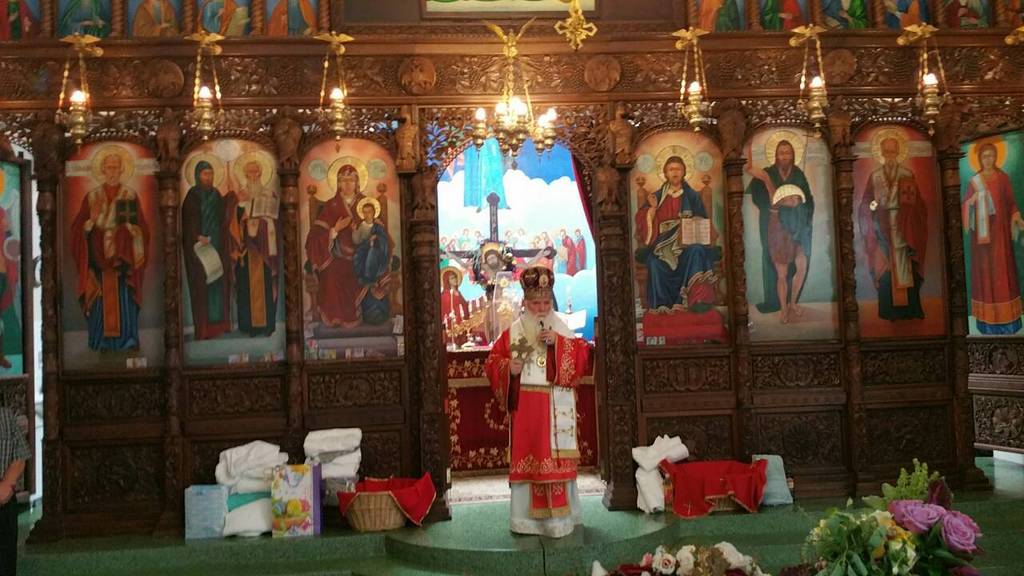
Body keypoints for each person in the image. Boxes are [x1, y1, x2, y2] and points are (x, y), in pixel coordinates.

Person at [484, 266, 589, 538]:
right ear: (525, 302)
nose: (541, 309)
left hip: (555, 404)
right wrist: (509, 369)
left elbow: (582, 357)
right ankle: (525, 521)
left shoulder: (561, 327)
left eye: (545, 303)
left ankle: (561, 519)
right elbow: (492, 362)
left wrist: (558, 343)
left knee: (554, 460)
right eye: (535, 303)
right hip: (527, 409)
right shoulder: (515, 332)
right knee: (530, 460)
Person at [70, 149, 149, 351]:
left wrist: (131, 231)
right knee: (100, 301)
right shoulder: (92, 196)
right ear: (103, 170)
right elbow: (77, 230)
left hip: (122, 259)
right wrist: (91, 222)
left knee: (124, 298)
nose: (112, 171)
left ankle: (127, 340)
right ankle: (101, 341)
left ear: (122, 170)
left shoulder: (129, 195)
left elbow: (143, 229)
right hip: (98, 259)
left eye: (116, 167)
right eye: (109, 167)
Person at [634, 156, 719, 311]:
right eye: (671, 169)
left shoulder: (693, 196)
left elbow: (703, 221)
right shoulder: (656, 196)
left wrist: (694, 221)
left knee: (697, 250)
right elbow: (640, 219)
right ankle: (662, 306)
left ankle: (697, 300)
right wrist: (652, 209)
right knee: (654, 262)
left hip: (686, 245)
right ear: (665, 173)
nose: (675, 172)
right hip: (662, 245)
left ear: (684, 172)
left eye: (678, 169)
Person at [858, 136, 928, 321]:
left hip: (903, 227)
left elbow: (918, 204)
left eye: (893, 151)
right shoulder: (875, 175)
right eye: (886, 151)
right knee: (884, 267)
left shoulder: (906, 173)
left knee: (907, 268)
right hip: (881, 227)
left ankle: (911, 310)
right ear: (881, 153)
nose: (890, 155)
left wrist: (909, 214)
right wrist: (873, 205)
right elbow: (866, 202)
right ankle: (888, 311)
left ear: (898, 152)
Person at [746, 139, 815, 323]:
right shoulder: (767, 174)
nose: (784, 156)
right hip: (778, 229)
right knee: (781, 273)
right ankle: (783, 309)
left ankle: (793, 303)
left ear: (793, 155)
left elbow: (808, 199)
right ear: (776, 155)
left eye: (788, 152)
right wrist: (780, 202)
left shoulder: (798, 174)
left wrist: (799, 203)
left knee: (802, 267)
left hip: (797, 228)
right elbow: (761, 197)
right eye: (781, 153)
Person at [963, 142, 1024, 334]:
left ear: (996, 157)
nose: (988, 159)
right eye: (985, 156)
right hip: (981, 241)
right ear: (980, 159)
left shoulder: (1003, 178)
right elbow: (965, 207)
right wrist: (971, 202)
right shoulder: (974, 182)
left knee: (1003, 274)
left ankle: (1009, 323)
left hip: (1000, 236)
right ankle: (987, 324)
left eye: (991, 155)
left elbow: (1011, 204)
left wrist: (1016, 217)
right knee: (985, 276)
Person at [305, 164, 368, 328]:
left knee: (366, 268)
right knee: (332, 273)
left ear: (357, 182)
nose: (347, 184)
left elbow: (377, 231)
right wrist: (335, 230)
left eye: (351, 180)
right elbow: (314, 238)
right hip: (336, 256)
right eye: (343, 180)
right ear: (338, 183)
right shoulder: (331, 205)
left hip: (361, 256)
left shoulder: (365, 204)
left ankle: (360, 312)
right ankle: (336, 317)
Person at [182, 160, 236, 340]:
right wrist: (197, 236)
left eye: (211, 174)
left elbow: (223, 215)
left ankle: (220, 326)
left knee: (218, 286)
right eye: (205, 174)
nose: (209, 177)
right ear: (198, 176)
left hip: (217, 248)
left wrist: (231, 198)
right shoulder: (192, 196)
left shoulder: (216, 194)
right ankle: (204, 329)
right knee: (202, 287)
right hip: (200, 250)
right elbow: (187, 222)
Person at [230, 159, 280, 337]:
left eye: (256, 171)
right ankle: (250, 326)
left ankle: (266, 326)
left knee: (266, 283)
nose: (253, 175)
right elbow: (233, 222)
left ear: (260, 173)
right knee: (246, 287)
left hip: (264, 247)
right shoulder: (241, 194)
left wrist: (265, 220)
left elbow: (275, 218)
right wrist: (240, 211)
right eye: (250, 172)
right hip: (247, 248)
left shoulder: (268, 193)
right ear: (245, 174)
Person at [0, 404, 28, 576]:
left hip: (4, 500)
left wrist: (7, 484)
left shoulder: (6, 417)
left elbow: (21, 456)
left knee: (5, 564)